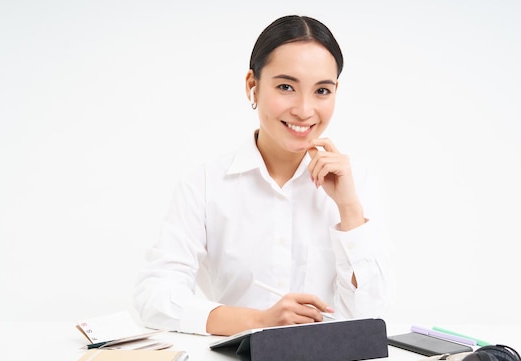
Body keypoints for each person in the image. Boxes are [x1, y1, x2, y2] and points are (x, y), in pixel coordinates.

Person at [134, 15, 394, 336]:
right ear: (252, 86)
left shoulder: (357, 184)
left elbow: (370, 316)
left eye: (322, 90)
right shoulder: (205, 185)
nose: (304, 109)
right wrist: (258, 321)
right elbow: (154, 297)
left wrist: (349, 208)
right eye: (286, 87)